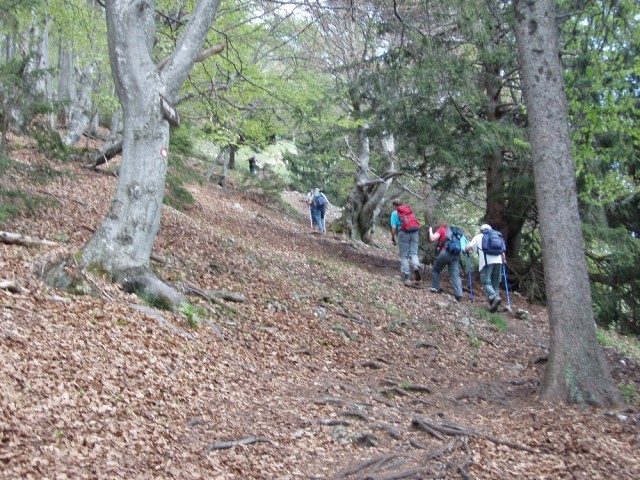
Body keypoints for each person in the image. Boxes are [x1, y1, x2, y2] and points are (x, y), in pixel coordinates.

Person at [465, 224, 505, 312]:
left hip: (486, 262)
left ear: (481, 230)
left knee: (486, 282)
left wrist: (465, 250)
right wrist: (503, 260)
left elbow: (468, 247)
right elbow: (502, 251)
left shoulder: (479, 236)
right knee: (495, 284)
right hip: (499, 262)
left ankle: (494, 297)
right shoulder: (497, 236)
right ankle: (494, 305)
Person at [428, 219, 463, 302]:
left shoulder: (441, 229)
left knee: (436, 270)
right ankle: (459, 295)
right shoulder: (453, 232)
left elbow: (433, 238)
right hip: (456, 254)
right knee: (455, 274)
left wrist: (430, 231)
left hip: (446, 253)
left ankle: (436, 288)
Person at [390, 199, 422, 284]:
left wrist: (393, 237)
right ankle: (416, 266)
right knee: (414, 253)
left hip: (403, 232)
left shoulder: (394, 213)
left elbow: (394, 227)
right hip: (414, 232)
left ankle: (407, 276)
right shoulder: (409, 210)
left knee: (404, 256)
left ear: (394, 206)